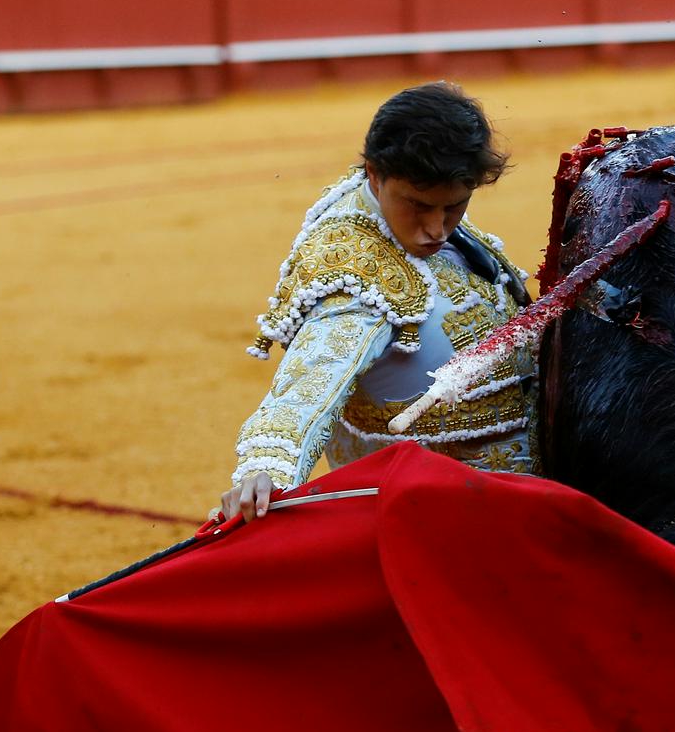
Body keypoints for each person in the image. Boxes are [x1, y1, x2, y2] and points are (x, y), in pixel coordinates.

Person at [218, 84, 534, 524]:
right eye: (419, 206)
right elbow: (309, 383)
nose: (437, 229)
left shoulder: (390, 206)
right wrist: (266, 467)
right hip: (431, 521)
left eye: (455, 206)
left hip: (505, 495)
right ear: (374, 173)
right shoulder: (356, 279)